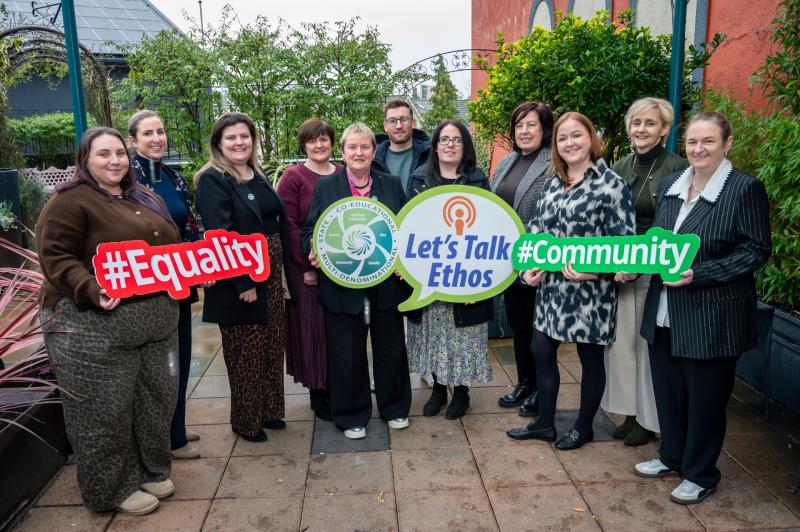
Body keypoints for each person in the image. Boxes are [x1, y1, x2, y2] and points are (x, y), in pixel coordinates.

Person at [36, 127, 180, 515]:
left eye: (119, 153)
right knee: (103, 410)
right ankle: (112, 488)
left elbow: (170, 249)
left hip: (154, 321)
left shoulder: (142, 195)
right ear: (85, 160)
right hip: (92, 325)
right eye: (104, 154)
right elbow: (55, 256)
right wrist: (89, 286)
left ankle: (151, 469)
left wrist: (195, 268)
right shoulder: (70, 201)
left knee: (155, 399)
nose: (114, 160)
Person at [634, 112, 771, 504]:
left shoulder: (744, 188)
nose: (699, 149)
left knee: (706, 400)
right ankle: (672, 456)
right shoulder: (671, 186)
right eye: (693, 142)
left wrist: (701, 273)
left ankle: (701, 473)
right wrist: (632, 264)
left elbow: (756, 250)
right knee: (670, 392)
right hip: (664, 311)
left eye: (708, 141)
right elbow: (656, 244)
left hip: (712, 315)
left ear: (726, 143)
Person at [507, 112, 635, 450]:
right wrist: (528, 268)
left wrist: (597, 272)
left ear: (591, 137)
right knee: (540, 350)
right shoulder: (553, 180)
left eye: (576, 136)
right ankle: (545, 423)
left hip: (591, 292)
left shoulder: (612, 184)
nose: (569, 143)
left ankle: (583, 427)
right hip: (552, 290)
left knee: (590, 361)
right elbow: (536, 230)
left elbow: (626, 247)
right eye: (562, 138)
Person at [302, 122, 412, 440]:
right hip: (342, 285)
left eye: (365, 147)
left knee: (391, 348)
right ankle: (351, 415)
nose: (359, 153)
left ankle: (395, 408)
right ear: (343, 152)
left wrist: (404, 262)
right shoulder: (327, 186)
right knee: (346, 352)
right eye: (352, 147)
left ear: (374, 151)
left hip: (386, 284)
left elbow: (404, 229)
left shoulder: (391, 185)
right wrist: (313, 249)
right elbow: (311, 229)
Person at [194, 113, 296, 443]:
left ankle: (269, 410)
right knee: (245, 355)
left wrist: (280, 276)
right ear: (218, 144)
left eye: (244, 136)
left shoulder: (256, 173)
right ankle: (246, 421)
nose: (239, 142)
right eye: (231, 138)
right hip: (242, 278)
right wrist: (243, 281)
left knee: (269, 347)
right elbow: (220, 233)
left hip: (271, 273)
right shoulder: (213, 178)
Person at [601, 98, 689, 447]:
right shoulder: (619, 166)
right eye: (636, 122)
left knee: (647, 348)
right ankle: (631, 413)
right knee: (622, 346)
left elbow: (675, 225)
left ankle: (652, 419)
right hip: (620, 270)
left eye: (650, 124)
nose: (641, 129)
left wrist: (638, 265)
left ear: (665, 130)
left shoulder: (678, 168)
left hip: (654, 272)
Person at [128, 109, 203, 460]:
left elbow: (189, 226)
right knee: (152, 367)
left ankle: (176, 433)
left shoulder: (174, 177)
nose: (157, 138)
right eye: (148, 133)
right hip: (143, 289)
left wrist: (201, 263)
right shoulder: (126, 178)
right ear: (133, 140)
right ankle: (152, 440)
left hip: (180, 281)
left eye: (160, 131)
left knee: (180, 358)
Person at [406, 120, 493, 419]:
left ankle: (463, 391)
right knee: (435, 334)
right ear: (435, 145)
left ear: (464, 146)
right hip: (430, 274)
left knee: (464, 334)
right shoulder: (418, 179)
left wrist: (481, 282)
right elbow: (408, 227)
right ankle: (439, 388)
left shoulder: (478, 180)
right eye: (444, 139)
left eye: (457, 139)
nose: (450, 144)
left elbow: (491, 230)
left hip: (467, 274)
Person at [490, 101, 555, 417]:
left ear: (543, 128)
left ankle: (541, 391)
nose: (524, 131)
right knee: (519, 324)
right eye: (519, 125)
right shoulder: (507, 161)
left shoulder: (552, 163)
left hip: (537, 261)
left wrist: (526, 242)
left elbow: (553, 214)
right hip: (508, 259)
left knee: (537, 330)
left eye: (531, 124)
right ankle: (524, 383)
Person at [276, 119, 340, 421]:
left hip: (341, 268)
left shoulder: (341, 173)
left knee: (335, 331)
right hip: (308, 269)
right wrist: (306, 266)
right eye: (312, 140)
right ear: (303, 144)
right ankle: (318, 393)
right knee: (311, 330)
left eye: (324, 139)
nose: (319, 145)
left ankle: (337, 385)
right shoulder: (293, 177)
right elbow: (288, 225)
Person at [372, 99, 431, 192]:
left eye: (404, 119)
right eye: (392, 121)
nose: (399, 126)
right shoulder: (372, 159)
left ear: (413, 123)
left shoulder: (430, 155)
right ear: (385, 126)